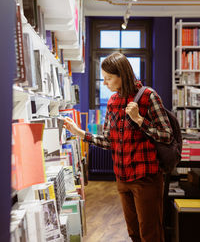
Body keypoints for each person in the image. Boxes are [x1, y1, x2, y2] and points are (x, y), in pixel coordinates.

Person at [64, 52, 173, 242]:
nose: (105, 83)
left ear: (122, 75)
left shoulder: (148, 96)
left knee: (151, 234)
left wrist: (139, 119)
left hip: (145, 178)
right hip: (122, 178)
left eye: (108, 78)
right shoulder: (113, 102)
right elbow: (109, 141)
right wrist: (79, 132)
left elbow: (166, 135)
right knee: (134, 233)